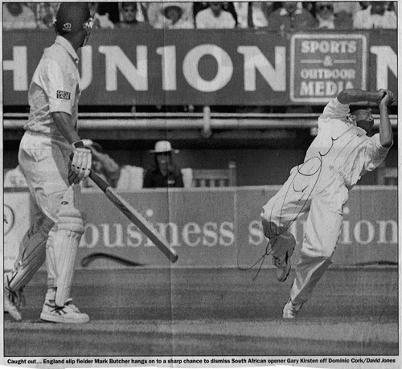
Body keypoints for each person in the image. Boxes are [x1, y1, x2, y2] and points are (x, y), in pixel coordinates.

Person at [260, 88, 394, 319]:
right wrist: (376, 96)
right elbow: (345, 94)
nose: (372, 117)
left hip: (334, 188)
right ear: (352, 115)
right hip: (309, 172)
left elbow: (387, 140)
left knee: (321, 252)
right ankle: (282, 252)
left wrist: (384, 107)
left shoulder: (368, 146)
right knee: (270, 216)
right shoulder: (332, 118)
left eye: (375, 115)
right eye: (368, 112)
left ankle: (294, 303)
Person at [4, 3, 94, 324]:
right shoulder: (58, 60)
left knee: (50, 224)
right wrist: (79, 145)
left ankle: (9, 286)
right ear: (87, 26)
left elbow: (62, 117)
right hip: (43, 145)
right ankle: (56, 304)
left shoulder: (61, 57)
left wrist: (71, 152)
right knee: (67, 220)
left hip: (48, 146)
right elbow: (57, 113)